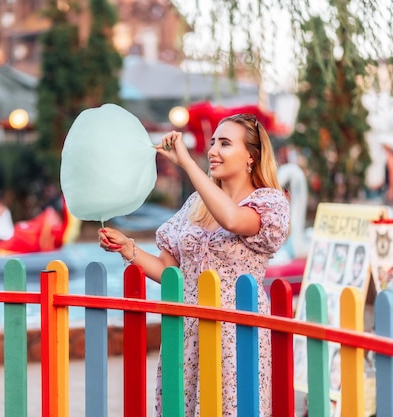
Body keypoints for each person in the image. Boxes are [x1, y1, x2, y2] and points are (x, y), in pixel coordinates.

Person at [98, 113, 290, 416]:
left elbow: (231, 219)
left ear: (251, 157)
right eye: (213, 143)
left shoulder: (268, 203)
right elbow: (171, 272)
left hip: (235, 335)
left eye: (225, 144)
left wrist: (187, 164)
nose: (213, 151)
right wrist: (128, 248)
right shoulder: (196, 205)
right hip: (186, 330)